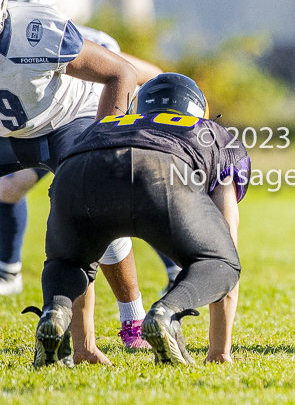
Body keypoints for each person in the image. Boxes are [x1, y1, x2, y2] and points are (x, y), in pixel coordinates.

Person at [26, 73, 249, 367]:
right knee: (223, 263)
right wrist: (220, 352)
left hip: (78, 173)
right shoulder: (211, 133)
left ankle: (59, 316)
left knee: (70, 263)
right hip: (159, 170)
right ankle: (166, 313)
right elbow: (227, 232)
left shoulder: (105, 125)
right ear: (199, 112)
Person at [0, 0, 167, 350]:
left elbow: (121, 72)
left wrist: (101, 143)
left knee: (95, 202)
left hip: (65, 119)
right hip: (9, 131)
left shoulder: (38, 30)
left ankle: (132, 321)